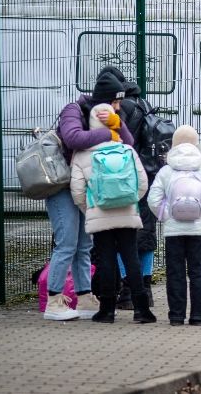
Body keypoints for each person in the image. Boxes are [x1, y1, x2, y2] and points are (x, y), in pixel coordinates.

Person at [42, 71, 135, 321]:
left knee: (84, 246)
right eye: (115, 102)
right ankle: (54, 300)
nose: (118, 107)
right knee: (67, 244)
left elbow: (128, 143)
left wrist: (116, 124)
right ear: (104, 100)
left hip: (85, 188)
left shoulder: (110, 116)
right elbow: (73, 138)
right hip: (62, 187)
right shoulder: (73, 110)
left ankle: (84, 298)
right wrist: (107, 134)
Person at [69, 102, 153, 324]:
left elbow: (77, 191)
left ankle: (106, 310)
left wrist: (91, 210)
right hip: (127, 212)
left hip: (99, 215)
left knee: (106, 259)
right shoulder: (126, 149)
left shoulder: (82, 154)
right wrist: (130, 201)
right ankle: (142, 309)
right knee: (131, 257)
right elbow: (142, 182)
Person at [146, 125, 201, 326]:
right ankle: (199, 316)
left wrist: (167, 215)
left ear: (173, 145)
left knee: (175, 272)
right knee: (198, 271)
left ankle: (176, 316)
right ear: (196, 145)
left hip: (173, 231)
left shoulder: (166, 171)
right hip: (196, 230)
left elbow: (153, 199)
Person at [97, 66, 157, 315]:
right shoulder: (144, 103)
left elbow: (119, 141)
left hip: (124, 178)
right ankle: (145, 288)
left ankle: (125, 291)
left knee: (124, 237)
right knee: (146, 234)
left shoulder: (123, 109)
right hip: (148, 174)